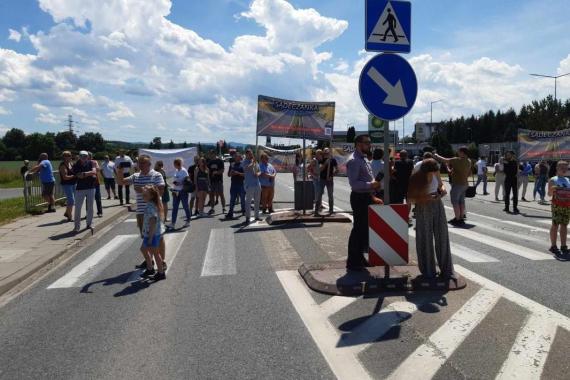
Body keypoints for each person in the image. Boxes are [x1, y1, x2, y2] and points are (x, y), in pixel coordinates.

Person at [407, 159, 455, 280]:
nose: (433, 174)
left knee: (442, 235)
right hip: (423, 207)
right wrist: (424, 197)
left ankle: (446, 269)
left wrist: (442, 191)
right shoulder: (416, 177)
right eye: (431, 172)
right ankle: (428, 270)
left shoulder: (435, 171)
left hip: (437, 204)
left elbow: (441, 184)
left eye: (435, 172)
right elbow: (411, 198)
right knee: (425, 238)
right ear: (425, 171)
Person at [116, 155, 166, 269]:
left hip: (154, 212)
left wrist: (143, 190)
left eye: (144, 163)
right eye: (139, 163)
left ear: (149, 164)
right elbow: (121, 182)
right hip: (141, 212)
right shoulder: (136, 176)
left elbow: (161, 191)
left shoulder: (156, 175)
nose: (141, 165)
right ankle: (150, 260)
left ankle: (162, 261)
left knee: (158, 237)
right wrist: (119, 171)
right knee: (145, 236)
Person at [346, 134, 383, 271]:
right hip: (359, 198)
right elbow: (354, 184)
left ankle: (359, 257)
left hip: (366, 197)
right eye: (367, 143)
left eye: (370, 143)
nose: (369, 145)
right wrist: (371, 185)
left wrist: (373, 195)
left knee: (363, 230)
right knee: (358, 229)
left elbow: (368, 179)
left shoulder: (364, 159)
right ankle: (353, 261)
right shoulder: (354, 160)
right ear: (358, 144)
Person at [435, 147, 471, 225]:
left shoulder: (456, 160)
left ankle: (457, 219)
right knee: (461, 201)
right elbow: (468, 173)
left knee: (455, 202)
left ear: (462, 152)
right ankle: (461, 217)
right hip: (465, 184)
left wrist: (436, 155)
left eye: (458, 151)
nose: (457, 152)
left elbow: (444, 160)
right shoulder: (469, 161)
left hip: (457, 184)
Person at [140, 185, 166, 281]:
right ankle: (150, 268)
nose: (143, 197)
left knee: (155, 253)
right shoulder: (151, 204)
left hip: (153, 234)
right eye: (143, 195)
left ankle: (160, 273)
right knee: (143, 249)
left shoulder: (150, 207)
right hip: (150, 233)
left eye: (145, 195)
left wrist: (150, 237)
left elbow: (153, 222)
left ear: (151, 196)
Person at [548, 161, 570, 258]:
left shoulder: (568, 180)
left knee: (564, 225)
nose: (564, 169)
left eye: (566, 168)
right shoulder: (553, 179)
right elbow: (549, 194)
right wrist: (552, 189)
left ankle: (563, 246)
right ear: (557, 168)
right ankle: (553, 246)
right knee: (555, 224)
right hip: (557, 205)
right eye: (562, 167)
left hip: (567, 205)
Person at [72, 151, 97, 232]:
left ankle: (89, 224)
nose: (84, 157)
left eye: (86, 156)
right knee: (78, 208)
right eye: (82, 156)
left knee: (90, 207)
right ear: (79, 156)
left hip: (91, 187)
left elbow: (94, 172)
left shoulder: (91, 163)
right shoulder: (76, 165)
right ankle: (77, 226)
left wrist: (84, 174)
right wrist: (89, 173)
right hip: (80, 188)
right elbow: (79, 176)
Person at [169, 158, 191, 229]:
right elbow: (175, 179)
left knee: (185, 206)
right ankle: (173, 223)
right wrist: (173, 186)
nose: (174, 165)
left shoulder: (184, 171)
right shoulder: (176, 170)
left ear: (177, 164)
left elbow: (187, 181)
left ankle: (188, 221)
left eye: (174, 164)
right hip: (176, 191)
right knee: (175, 208)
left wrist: (180, 183)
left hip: (183, 191)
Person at [316, 147, 338, 215]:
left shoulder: (333, 160)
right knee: (319, 194)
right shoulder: (321, 160)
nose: (326, 154)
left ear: (329, 153)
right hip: (322, 179)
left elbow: (337, 170)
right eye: (325, 153)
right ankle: (317, 210)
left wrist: (332, 176)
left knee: (330, 195)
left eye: (327, 153)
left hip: (329, 180)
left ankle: (331, 210)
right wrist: (325, 163)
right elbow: (320, 170)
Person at [243, 149, 262, 225]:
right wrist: (252, 163)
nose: (251, 155)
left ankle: (256, 216)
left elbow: (259, 170)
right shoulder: (245, 162)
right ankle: (247, 217)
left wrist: (258, 173)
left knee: (257, 201)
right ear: (246, 154)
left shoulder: (256, 162)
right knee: (248, 202)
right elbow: (246, 168)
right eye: (250, 154)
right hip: (249, 184)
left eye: (252, 153)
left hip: (257, 184)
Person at [226, 153, 245, 219]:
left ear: (240, 158)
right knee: (232, 199)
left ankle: (244, 211)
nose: (236, 158)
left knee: (242, 199)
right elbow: (228, 175)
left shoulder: (243, 164)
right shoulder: (232, 165)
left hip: (241, 184)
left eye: (237, 156)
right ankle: (230, 212)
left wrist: (238, 173)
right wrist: (231, 173)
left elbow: (245, 175)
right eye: (235, 156)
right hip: (233, 184)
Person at [59, 151, 76, 222]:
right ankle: (70, 216)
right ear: (63, 157)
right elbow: (65, 177)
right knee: (71, 200)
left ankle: (67, 212)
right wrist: (73, 176)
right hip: (66, 184)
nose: (68, 157)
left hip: (73, 184)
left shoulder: (71, 164)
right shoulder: (62, 166)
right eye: (66, 156)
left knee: (72, 200)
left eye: (69, 155)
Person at [88, 152, 103, 217]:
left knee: (98, 198)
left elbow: (98, 169)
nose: (88, 158)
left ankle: (99, 212)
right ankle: (88, 213)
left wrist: (94, 166)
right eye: (87, 156)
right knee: (88, 199)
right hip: (87, 183)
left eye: (89, 156)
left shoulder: (94, 162)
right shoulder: (84, 163)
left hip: (95, 182)